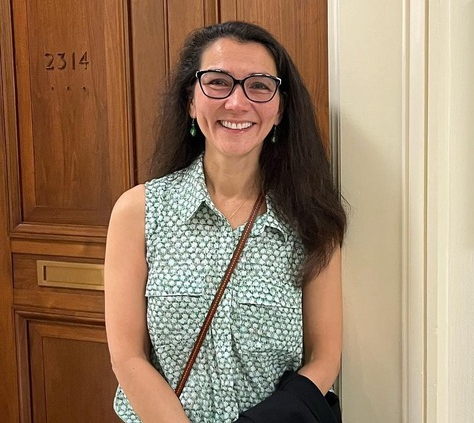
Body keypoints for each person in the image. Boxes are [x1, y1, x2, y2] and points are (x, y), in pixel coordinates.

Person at [104, 21, 346, 422]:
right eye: (218, 82)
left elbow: (324, 358)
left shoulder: (312, 221)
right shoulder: (140, 212)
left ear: (281, 107)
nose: (237, 103)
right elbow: (127, 354)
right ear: (190, 101)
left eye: (259, 85)